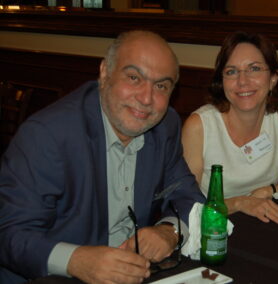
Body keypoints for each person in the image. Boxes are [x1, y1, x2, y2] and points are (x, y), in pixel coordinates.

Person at [0, 30, 205, 284]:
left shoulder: (165, 126)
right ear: (104, 73)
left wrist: (169, 231)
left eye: (161, 85)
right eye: (133, 77)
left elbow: (188, 196)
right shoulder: (47, 135)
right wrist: (76, 260)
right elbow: (10, 235)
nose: (146, 98)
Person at [182, 31, 278, 225]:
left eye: (254, 68)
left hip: (262, 224)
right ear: (222, 82)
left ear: (273, 79)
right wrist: (239, 203)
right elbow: (188, 206)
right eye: (231, 71)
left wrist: (270, 190)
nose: (242, 81)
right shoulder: (199, 126)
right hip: (212, 231)